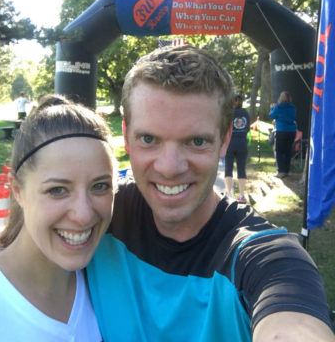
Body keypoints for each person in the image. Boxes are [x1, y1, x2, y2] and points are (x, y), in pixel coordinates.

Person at [87, 45, 335, 342]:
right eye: (149, 139)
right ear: (126, 136)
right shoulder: (95, 213)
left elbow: (294, 321)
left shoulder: (264, 257)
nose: (169, 168)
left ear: (225, 140)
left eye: (196, 141)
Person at [0, 94, 116, 341]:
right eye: (57, 190)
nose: (84, 214)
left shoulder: (109, 279)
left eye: (99, 186)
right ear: (17, 190)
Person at [224, 94, 250, 202]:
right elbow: (247, 128)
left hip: (230, 142)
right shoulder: (246, 113)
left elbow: (224, 128)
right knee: (241, 168)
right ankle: (241, 195)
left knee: (228, 168)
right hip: (242, 142)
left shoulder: (229, 114)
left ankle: (229, 193)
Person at [269, 91, 297, 178]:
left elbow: (271, 115)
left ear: (281, 98)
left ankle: (281, 171)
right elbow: (293, 116)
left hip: (281, 131)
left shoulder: (278, 107)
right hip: (292, 131)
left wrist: (273, 108)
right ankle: (286, 171)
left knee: (279, 151)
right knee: (288, 151)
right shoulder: (293, 108)